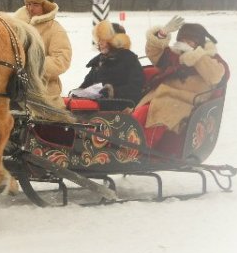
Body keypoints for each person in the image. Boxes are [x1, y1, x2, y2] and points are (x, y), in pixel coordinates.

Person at [132, 17, 229, 153]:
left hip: (185, 103)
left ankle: (144, 151)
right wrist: (162, 34)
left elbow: (215, 76)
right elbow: (154, 53)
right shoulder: (175, 56)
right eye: (182, 41)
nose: (185, 44)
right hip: (161, 97)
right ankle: (127, 146)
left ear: (198, 43)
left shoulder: (211, 58)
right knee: (141, 112)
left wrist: (194, 55)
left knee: (159, 114)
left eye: (189, 41)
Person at [12, 0, 72, 109]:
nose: (30, 8)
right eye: (28, 4)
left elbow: (61, 61)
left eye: (35, 5)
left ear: (46, 6)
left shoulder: (56, 29)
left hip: (44, 93)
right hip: (15, 90)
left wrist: (31, 66)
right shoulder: (17, 27)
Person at [71, 21, 145, 106]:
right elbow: (87, 84)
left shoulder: (129, 59)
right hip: (96, 107)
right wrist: (79, 92)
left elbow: (135, 88)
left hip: (120, 108)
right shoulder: (98, 62)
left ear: (116, 40)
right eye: (99, 40)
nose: (100, 43)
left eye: (104, 40)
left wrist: (112, 91)